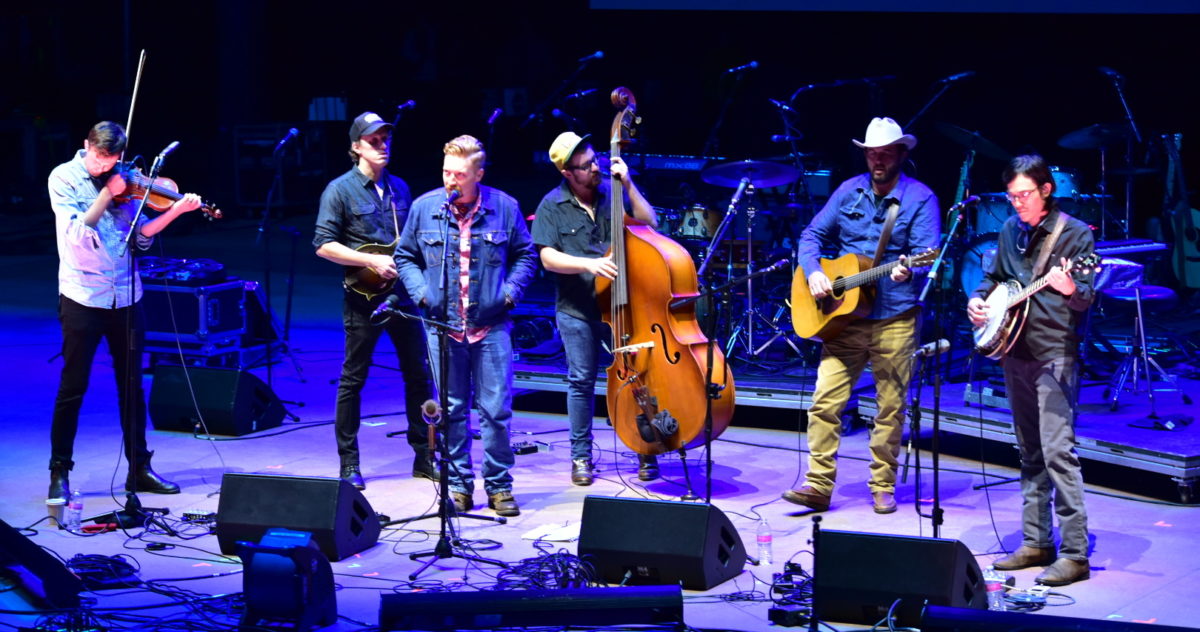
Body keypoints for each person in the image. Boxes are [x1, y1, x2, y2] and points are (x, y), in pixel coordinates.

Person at [781, 117, 940, 514]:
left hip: (895, 316)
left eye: (885, 153)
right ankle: (818, 485)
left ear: (901, 153)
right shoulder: (848, 190)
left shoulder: (920, 199)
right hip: (843, 317)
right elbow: (811, 236)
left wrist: (909, 270)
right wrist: (814, 272)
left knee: (890, 408)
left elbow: (928, 257)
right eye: (872, 154)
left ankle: (882, 485)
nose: (878, 161)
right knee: (824, 402)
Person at [47, 121, 203, 501]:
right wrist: (107, 194)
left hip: (127, 294)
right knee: (73, 386)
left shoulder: (127, 178)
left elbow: (141, 237)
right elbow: (77, 238)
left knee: (132, 387)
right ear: (87, 146)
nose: (106, 167)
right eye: (100, 158)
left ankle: (139, 468)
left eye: (112, 160)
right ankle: (59, 471)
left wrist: (176, 211)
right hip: (84, 295)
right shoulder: (64, 178)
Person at [967, 154, 1095, 586]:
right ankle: (1036, 542)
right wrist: (978, 300)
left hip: (1054, 353)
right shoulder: (1009, 230)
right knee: (1029, 452)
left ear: (1046, 190)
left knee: (1059, 453)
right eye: (1011, 196)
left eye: (1024, 195)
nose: (1017, 203)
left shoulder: (1074, 234)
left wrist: (1070, 286)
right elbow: (994, 279)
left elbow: (1085, 297)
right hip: (1015, 351)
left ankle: (1075, 554)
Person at [395, 135, 537, 517]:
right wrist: (422, 293)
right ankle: (459, 486)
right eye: (446, 172)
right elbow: (405, 255)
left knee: (495, 410)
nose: (450, 181)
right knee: (451, 410)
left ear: (478, 175)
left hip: (491, 325)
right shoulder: (425, 208)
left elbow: (526, 255)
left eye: (459, 174)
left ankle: (499, 486)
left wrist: (509, 294)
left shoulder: (504, 207)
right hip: (442, 326)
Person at [531, 131, 661, 486]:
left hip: (622, 305)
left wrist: (629, 183)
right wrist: (589, 264)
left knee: (637, 377)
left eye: (594, 160)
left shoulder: (613, 191)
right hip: (578, 307)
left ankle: (646, 449)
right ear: (567, 172)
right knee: (581, 382)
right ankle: (581, 457)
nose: (594, 168)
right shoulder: (551, 205)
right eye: (585, 165)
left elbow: (650, 223)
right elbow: (547, 257)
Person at [314, 112, 436, 490]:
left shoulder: (400, 188)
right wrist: (369, 260)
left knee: (419, 375)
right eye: (374, 141)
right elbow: (323, 245)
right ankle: (349, 463)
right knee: (354, 378)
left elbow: (411, 241)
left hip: (403, 296)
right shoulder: (339, 190)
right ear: (356, 147)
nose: (383, 147)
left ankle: (425, 456)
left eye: (386, 140)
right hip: (363, 299)